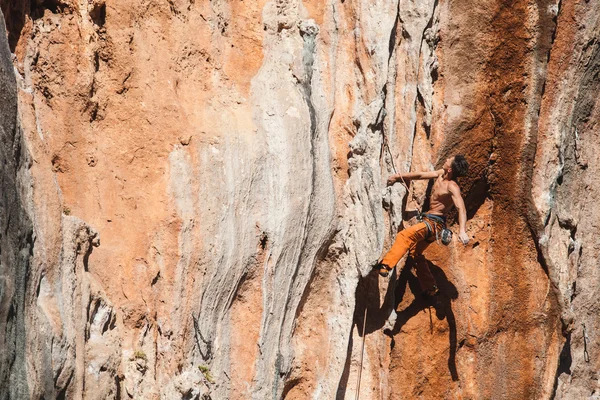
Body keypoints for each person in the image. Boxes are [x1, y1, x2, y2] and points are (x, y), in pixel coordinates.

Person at [375, 155, 470, 296]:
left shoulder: (452, 187)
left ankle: (386, 265)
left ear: (450, 169)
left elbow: (461, 208)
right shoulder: (440, 174)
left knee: (404, 236)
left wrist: (462, 230)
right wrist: (399, 176)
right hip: (431, 223)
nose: (447, 158)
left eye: (449, 159)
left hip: (433, 224)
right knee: (415, 253)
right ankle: (430, 287)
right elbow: (421, 175)